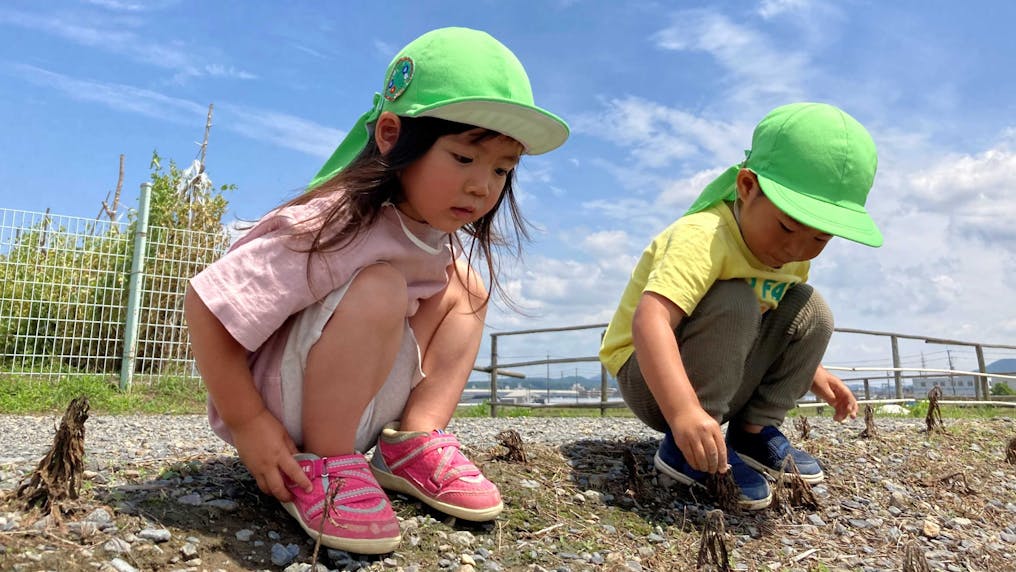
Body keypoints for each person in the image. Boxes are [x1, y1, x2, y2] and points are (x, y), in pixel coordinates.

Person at [185, 27, 568, 554]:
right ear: (391, 135)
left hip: (347, 398)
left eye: (502, 169)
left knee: (467, 286)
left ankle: (411, 443)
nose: (483, 186)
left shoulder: (428, 236)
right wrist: (248, 423)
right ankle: (327, 463)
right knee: (382, 285)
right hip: (283, 408)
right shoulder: (337, 221)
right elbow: (208, 303)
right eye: (463, 158)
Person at [599, 102, 873, 510]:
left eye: (820, 238)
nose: (796, 248)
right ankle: (687, 447)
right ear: (747, 187)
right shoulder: (704, 235)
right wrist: (685, 412)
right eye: (787, 226)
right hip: (651, 378)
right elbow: (650, 321)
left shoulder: (794, 254)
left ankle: (753, 432)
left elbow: (775, 316)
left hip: (724, 372)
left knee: (810, 307)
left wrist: (813, 372)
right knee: (734, 296)